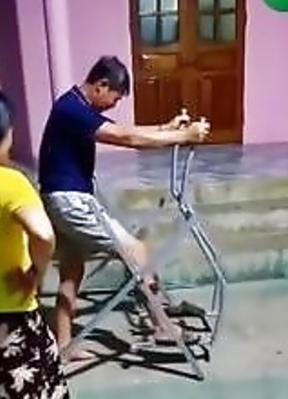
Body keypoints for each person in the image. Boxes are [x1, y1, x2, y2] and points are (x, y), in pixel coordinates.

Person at [38, 56, 211, 360]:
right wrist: (184, 136)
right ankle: (162, 327)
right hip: (70, 201)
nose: (114, 105)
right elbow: (126, 137)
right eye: (115, 98)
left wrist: (166, 127)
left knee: (71, 270)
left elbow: (122, 129)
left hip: (62, 198)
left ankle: (64, 346)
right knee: (137, 251)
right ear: (101, 85)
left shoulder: (75, 105)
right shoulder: (72, 110)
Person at [0, 88, 69, 399]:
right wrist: (35, 274)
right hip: (6, 314)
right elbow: (43, 235)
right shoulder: (9, 181)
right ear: (2, 133)